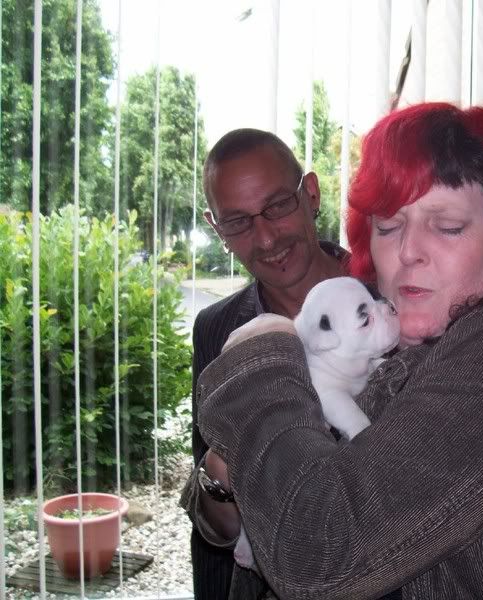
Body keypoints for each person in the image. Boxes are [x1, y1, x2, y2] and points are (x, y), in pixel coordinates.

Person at [186, 103, 483, 599]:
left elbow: (317, 555)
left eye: (448, 226)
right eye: (389, 227)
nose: (408, 251)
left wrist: (264, 350)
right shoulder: (388, 351)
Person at [185, 128, 346, 599]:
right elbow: (212, 526)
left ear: (310, 194)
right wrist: (219, 479)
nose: (266, 236)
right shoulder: (216, 330)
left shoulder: (391, 300)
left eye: (277, 205)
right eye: (237, 222)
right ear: (217, 229)